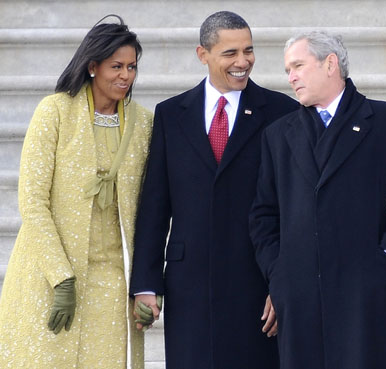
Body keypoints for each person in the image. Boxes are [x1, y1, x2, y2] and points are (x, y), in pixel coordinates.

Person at [248, 30, 386, 369]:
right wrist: (280, 274)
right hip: (301, 298)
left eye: (298, 66)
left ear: (330, 63)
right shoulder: (277, 136)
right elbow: (263, 214)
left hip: (367, 296)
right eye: (288, 69)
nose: (291, 77)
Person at [128, 11, 299, 369]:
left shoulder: (282, 112)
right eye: (230, 53)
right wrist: (145, 282)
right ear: (202, 54)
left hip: (256, 281)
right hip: (189, 284)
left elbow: (295, 207)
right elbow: (155, 206)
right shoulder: (171, 114)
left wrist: (284, 285)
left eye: (248, 51)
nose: (243, 62)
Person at [0, 15, 153, 368]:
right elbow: (33, 202)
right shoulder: (54, 112)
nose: (125, 75)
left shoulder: (144, 123)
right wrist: (61, 278)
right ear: (92, 66)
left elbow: (151, 208)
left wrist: (146, 282)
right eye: (116, 66)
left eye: (131, 67)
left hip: (113, 280)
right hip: (51, 275)